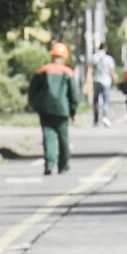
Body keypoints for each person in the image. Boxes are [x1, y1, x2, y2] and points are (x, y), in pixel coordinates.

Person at [28, 41, 78, 174]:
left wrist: (32, 103)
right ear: (64, 57)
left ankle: (49, 164)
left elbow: (33, 89)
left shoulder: (43, 70)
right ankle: (63, 165)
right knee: (63, 139)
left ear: (52, 56)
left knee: (48, 136)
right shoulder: (68, 72)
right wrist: (73, 111)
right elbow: (74, 94)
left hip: (45, 109)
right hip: (62, 110)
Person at [90, 42, 116, 128]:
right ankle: (104, 117)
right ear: (105, 48)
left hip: (96, 81)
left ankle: (96, 120)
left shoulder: (94, 57)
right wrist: (114, 80)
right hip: (106, 82)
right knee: (105, 101)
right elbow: (111, 71)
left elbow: (90, 68)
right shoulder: (109, 59)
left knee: (96, 101)